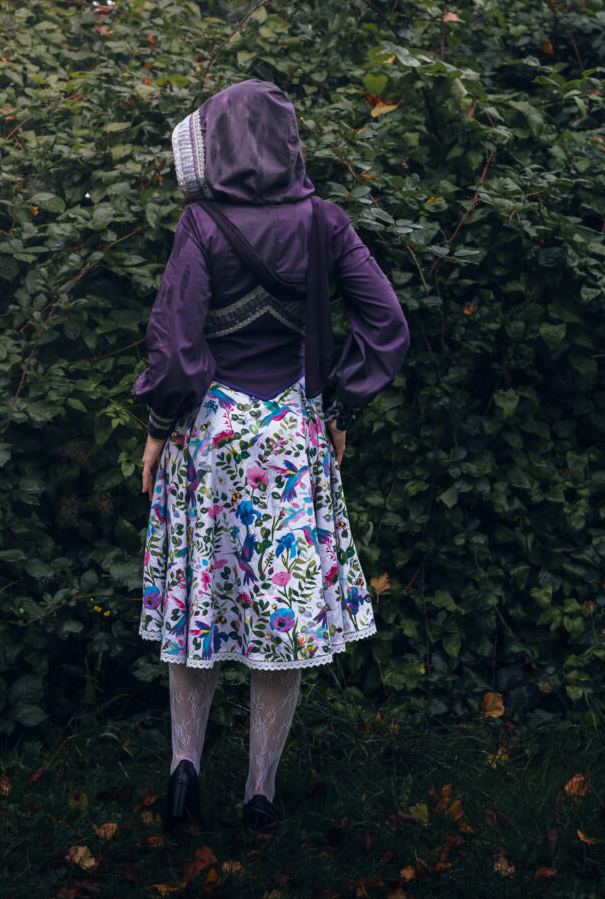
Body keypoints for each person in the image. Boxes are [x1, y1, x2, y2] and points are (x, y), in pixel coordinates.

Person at [134, 79, 409, 831]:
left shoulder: (200, 223)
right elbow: (386, 322)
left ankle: (184, 770)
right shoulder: (325, 221)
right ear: (286, 143)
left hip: (212, 438)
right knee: (279, 615)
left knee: (197, 601)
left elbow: (176, 344)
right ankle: (259, 793)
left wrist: (158, 426)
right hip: (291, 436)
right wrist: (342, 403)